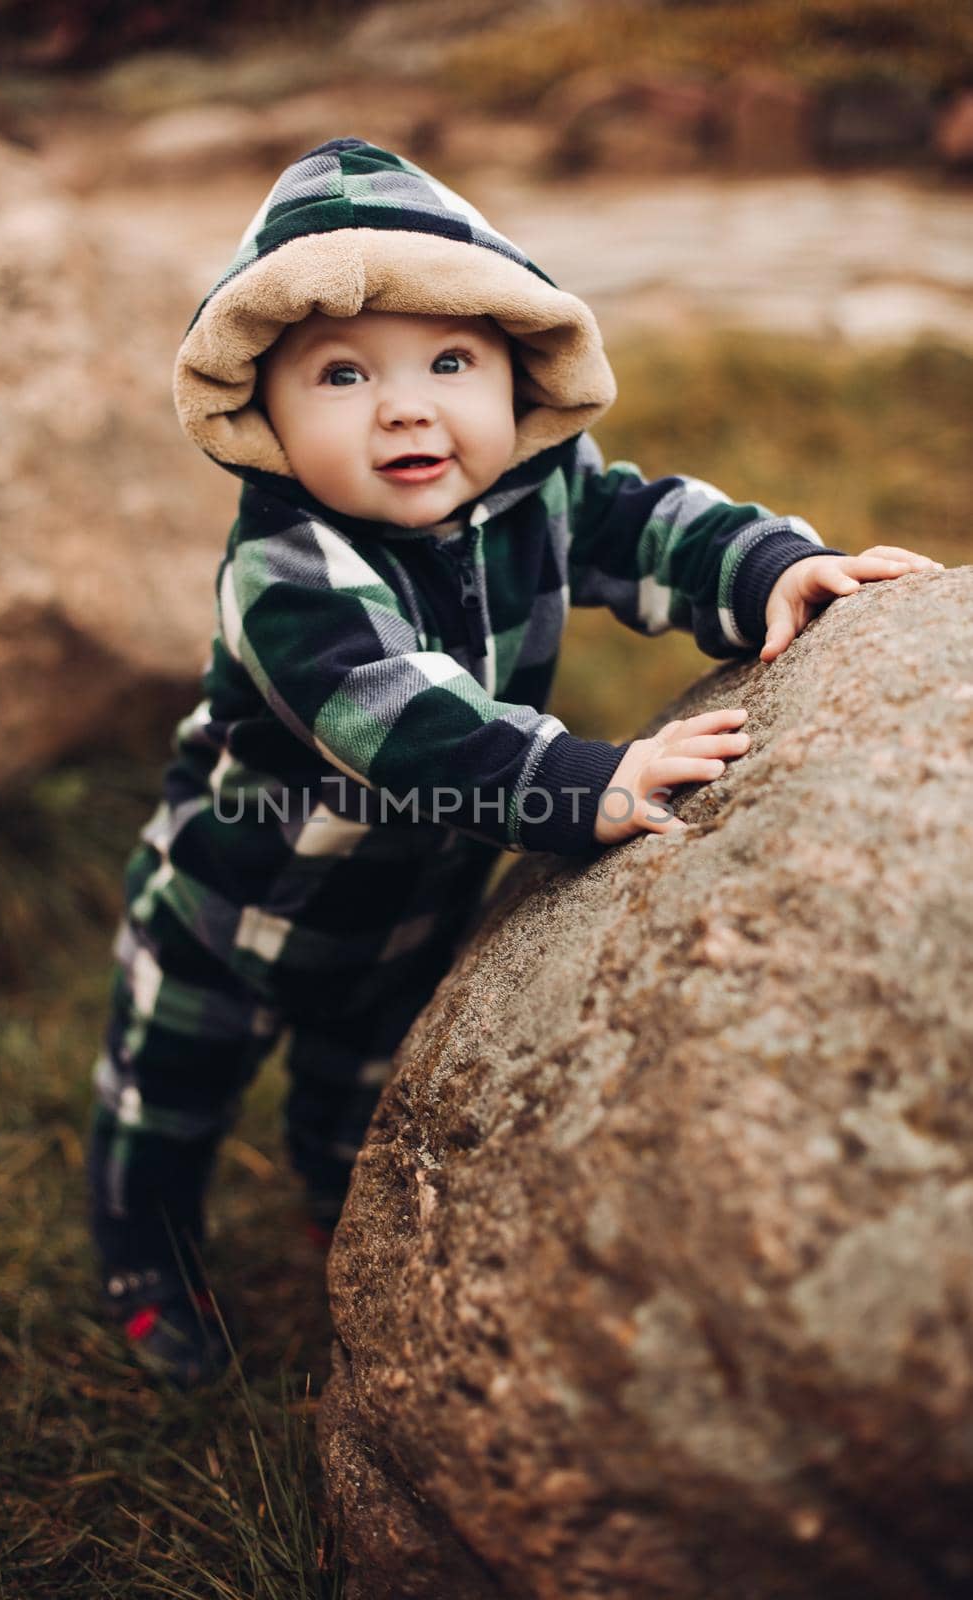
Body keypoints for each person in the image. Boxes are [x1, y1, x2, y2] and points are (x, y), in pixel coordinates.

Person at [86, 135, 940, 1387]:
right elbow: (400, 717)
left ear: (512, 371)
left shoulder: (535, 490)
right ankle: (142, 1245)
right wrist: (580, 779)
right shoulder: (286, 572)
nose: (405, 406)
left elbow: (645, 524)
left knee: (356, 1078)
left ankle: (330, 1192)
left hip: (408, 903)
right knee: (168, 1092)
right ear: (262, 413)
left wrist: (768, 567)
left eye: (448, 361)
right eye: (339, 375)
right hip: (232, 905)